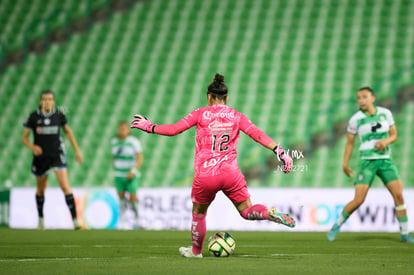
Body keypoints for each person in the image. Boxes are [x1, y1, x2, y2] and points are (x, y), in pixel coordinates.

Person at [131, 73, 295, 258]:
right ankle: (267, 213)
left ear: (208, 97)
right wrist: (278, 150)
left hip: (206, 175)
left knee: (199, 213)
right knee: (247, 210)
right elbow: (257, 134)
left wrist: (149, 126)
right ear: (227, 98)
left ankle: (196, 252)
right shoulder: (237, 116)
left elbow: (174, 130)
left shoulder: (200, 114)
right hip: (230, 173)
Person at [327, 87, 414, 243]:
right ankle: (336, 226)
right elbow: (349, 143)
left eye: (364, 97)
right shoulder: (355, 119)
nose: (361, 100)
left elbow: (394, 135)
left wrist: (385, 141)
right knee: (359, 200)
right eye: (359, 98)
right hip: (367, 161)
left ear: (372, 98)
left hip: (385, 160)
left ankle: (405, 234)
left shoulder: (385, 113)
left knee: (399, 196)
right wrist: (345, 164)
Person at [22, 90, 83, 230]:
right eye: (44, 99)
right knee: (41, 189)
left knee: (64, 186)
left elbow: (68, 131)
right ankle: (41, 219)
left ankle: (75, 220)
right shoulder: (33, 117)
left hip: (57, 154)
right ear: (40, 101)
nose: (47, 101)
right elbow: (24, 138)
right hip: (41, 157)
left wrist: (77, 150)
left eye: (50, 99)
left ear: (53, 101)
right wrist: (32, 147)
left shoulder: (58, 115)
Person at [111, 121, 143, 229]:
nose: (121, 130)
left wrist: (133, 171)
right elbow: (114, 158)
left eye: (124, 129)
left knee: (132, 197)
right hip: (119, 174)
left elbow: (140, 158)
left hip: (131, 174)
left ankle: (137, 219)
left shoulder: (133, 141)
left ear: (128, 131)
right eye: (120, 128)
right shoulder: (114, 141)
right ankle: (123, 222)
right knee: (121, 198)